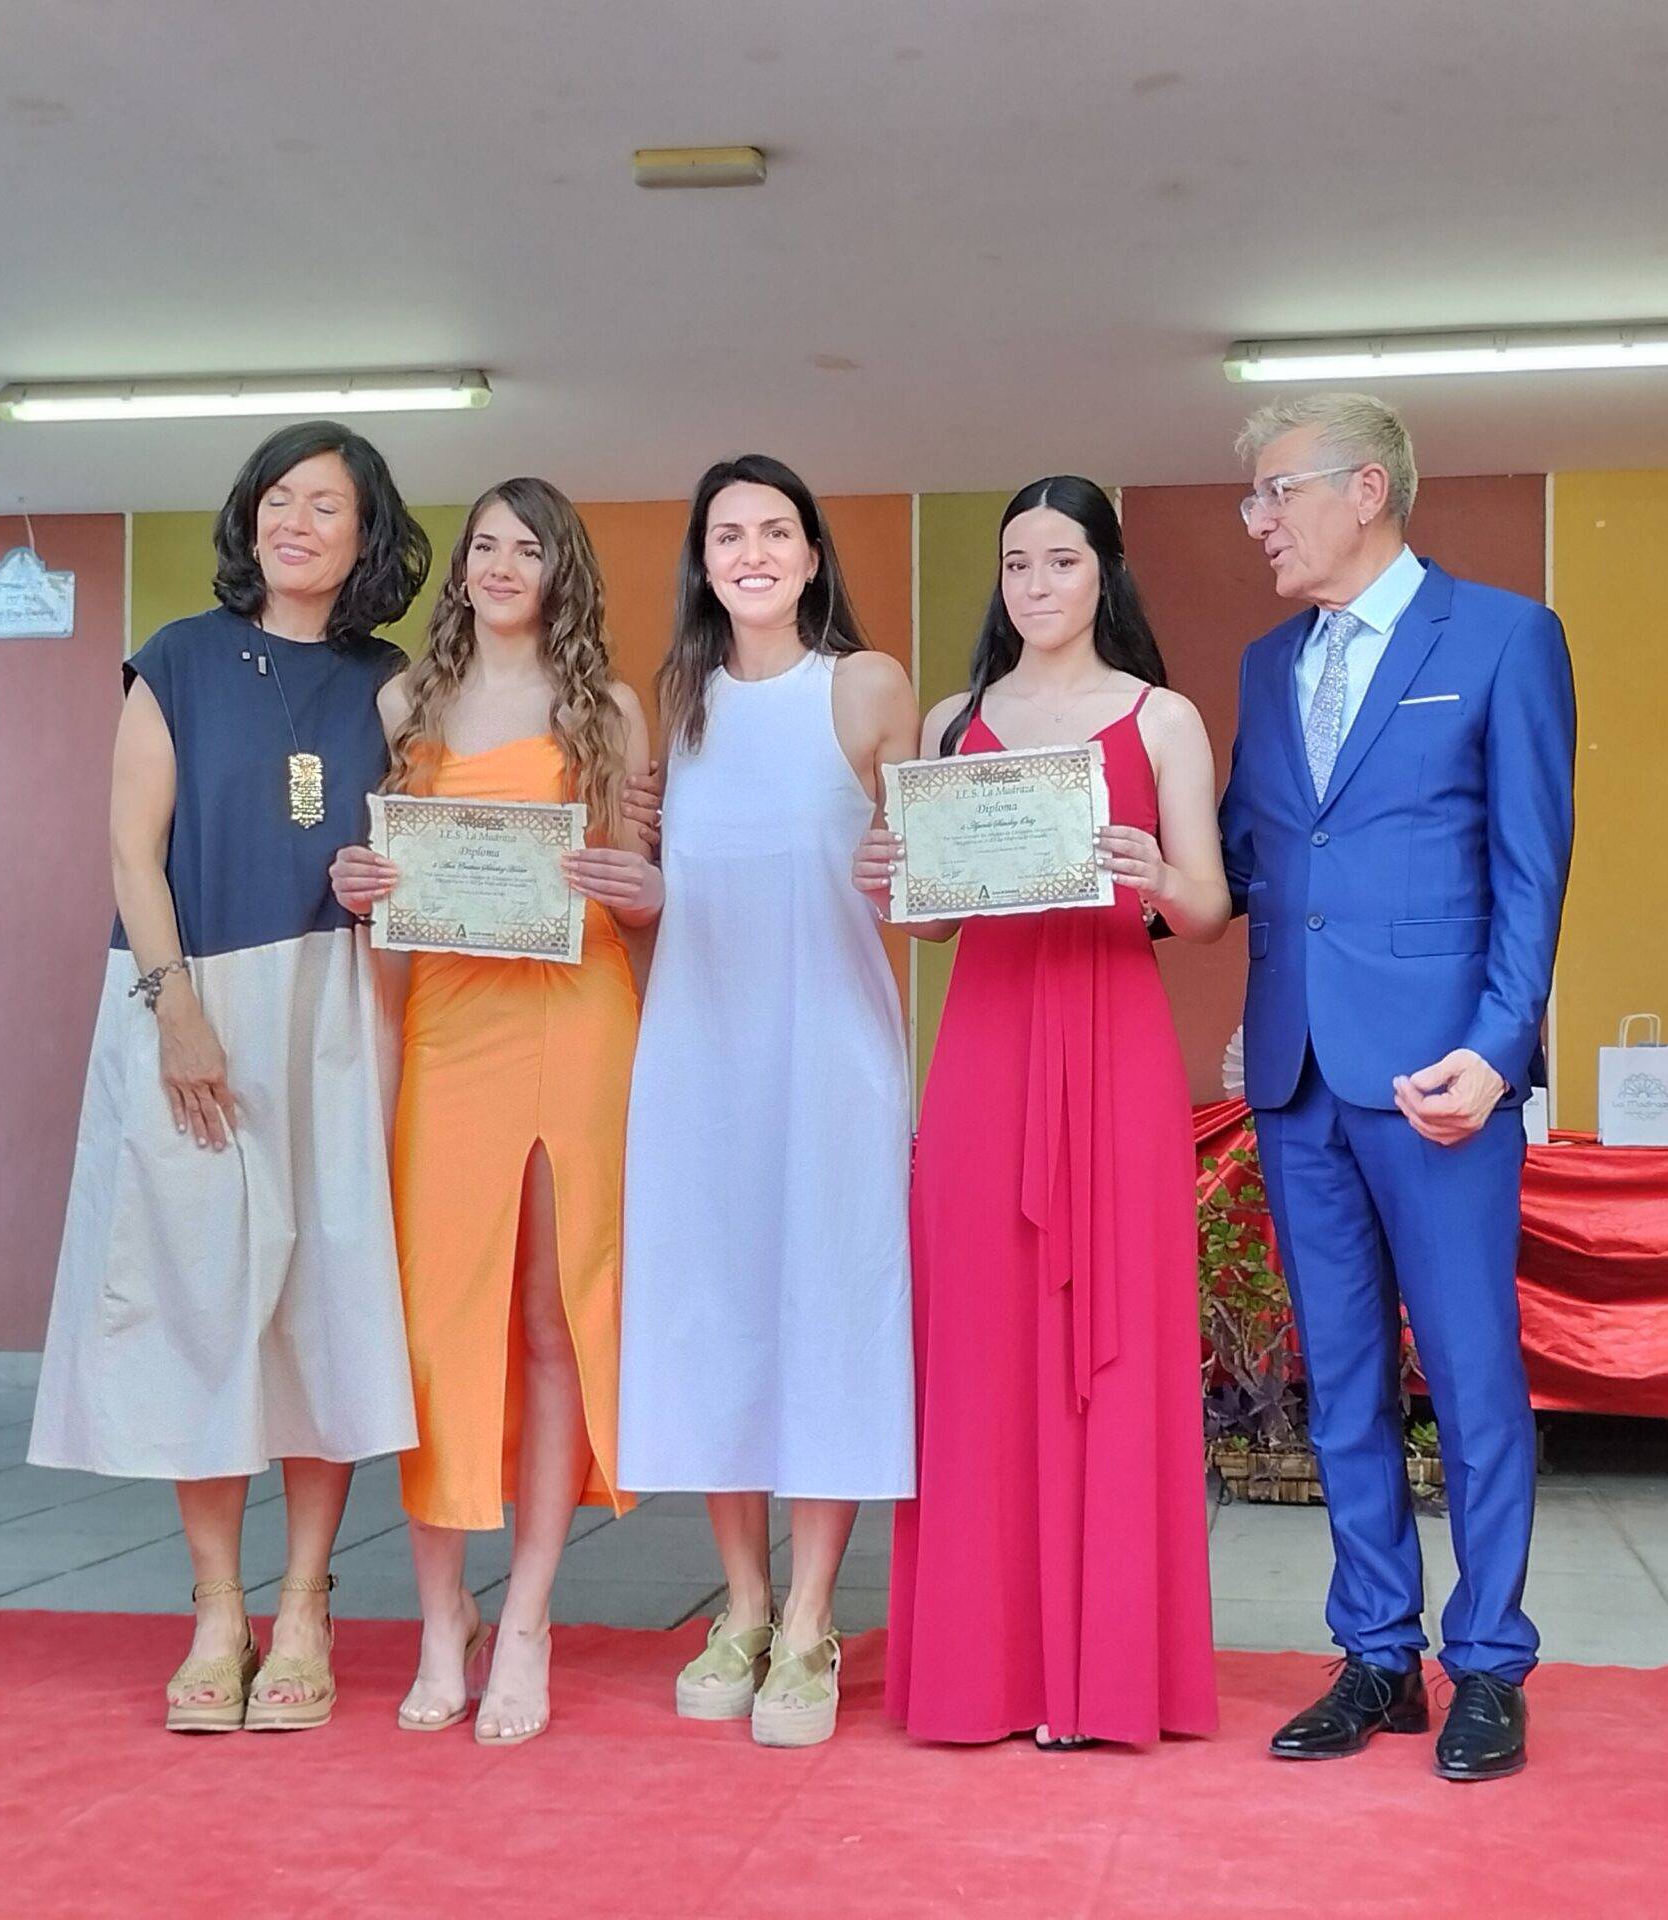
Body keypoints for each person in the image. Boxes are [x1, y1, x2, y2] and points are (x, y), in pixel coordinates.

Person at [29, 420, 432, 1733]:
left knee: (322, 1298)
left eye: (326, 505)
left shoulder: (392, 686)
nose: (295, 522)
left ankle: (306, 1607)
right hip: (187, 1002)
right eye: (278, 499)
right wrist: (177, 1010)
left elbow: (427, 849)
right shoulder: (178, 660)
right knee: (195, 1293)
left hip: (333, 1010)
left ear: (368, 538)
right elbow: (130, 850)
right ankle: (217, 1610)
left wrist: (387, 887)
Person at [1220, 393, 1576, 1782]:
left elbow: (1531, 868)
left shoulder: (1502, 637)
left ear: (1365, 490)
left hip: (1443, 1078)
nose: (1255, 520)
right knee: (1343, 1385)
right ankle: (1377, 1654)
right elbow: (1248, 861)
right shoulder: (1265, 666)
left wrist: (1498, 1047)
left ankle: (1489, 1661)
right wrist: (1090, 858)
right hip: (1299, 1076)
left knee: (1473, 1376)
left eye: (1275, 492)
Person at [863, 476, 1226, 1749]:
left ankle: (1105, 1674)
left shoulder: (1162, 716)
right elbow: (931, 923)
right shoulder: (953, 719)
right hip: (986, 1043)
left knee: (1113, 1333)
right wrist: (887, 875)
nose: (1035, 584)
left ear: (1103, 573)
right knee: (978, 1335)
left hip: (1112, 1033)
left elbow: (1206, 907)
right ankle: (989, 1670)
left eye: (1060, 560)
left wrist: (1155, 872)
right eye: (1016, 563)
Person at [329, 479, 657, 1746]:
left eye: (529, 547)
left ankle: (525, 1617)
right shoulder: (402, 702)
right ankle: (439, 1617)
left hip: (577, 1011)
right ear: (459, 569)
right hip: (449, 1022)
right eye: (484, 546)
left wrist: (635, 884)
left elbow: (641, 892)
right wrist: (362, 884)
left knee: (552, 1310)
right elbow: (384, 886)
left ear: (562, 570)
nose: (504, 564)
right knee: (437, 1318)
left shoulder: (608, 709)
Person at [617, 454, 919, 1748]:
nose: (751, 552)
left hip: (833, 1055)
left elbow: (927, 882)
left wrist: (909, 869)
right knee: (713, 1319)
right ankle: (739, 1604)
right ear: (703, 561)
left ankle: (808, 1618)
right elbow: (655, 895)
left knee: (832, 1315)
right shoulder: (672, 703)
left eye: (775, 531)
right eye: (727, 534)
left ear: (810, 556)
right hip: (697, 1058)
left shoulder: (867, 685)